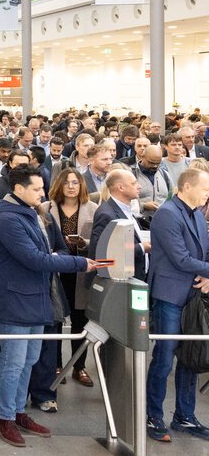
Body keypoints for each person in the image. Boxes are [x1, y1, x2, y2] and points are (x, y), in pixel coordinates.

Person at [0, 165, 98, 447]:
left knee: (29, 360)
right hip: (14, 300)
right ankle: (5, 417)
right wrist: (79, 262)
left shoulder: (37, 213)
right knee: (13, 363)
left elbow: (56, 248)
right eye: (36, 189)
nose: (42, 193)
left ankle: (18, 411)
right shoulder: (7, 219)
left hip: (38, 297)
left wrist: (57, 256)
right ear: (19, 189)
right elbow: (36, 259)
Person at [146, 168, 209, 442]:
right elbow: (181, 259)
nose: (208, 193)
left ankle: (184, 416)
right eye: (205, 188)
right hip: (169, 295)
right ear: (186, 186)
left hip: (193, 296)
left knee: (190, 357)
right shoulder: (168, 213)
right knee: (164, 358)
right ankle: (153, 415)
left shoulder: (196, 213)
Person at [38, 168, 98, 402]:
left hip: (80, 271)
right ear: (59, 185)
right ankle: (56, 365)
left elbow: (99, 241)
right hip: (55, 271)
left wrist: (84, 242)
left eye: (75, 182)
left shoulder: (93, 209)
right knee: (55, 319)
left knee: (80, 319)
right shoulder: (46, 208)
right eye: (67, 183)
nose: (71, 186)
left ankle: (78, 365)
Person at [89, 169, 150, 282]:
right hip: (119, 283)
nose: (139, 186)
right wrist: (141, 248)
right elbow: (103, 253)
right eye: (133, 183)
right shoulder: (106, 214)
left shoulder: (127, 210)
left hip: (138, 278)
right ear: (120, 187)